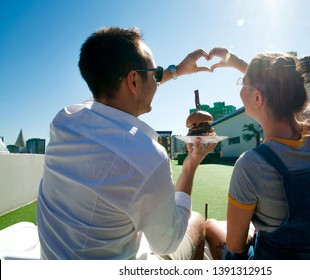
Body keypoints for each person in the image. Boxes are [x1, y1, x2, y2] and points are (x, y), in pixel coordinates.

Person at [36, 26, 216, 260]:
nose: (158, 78)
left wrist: (177, 71)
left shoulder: (65, 120)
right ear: (133, 80)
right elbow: (167, 244)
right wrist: (191, 164)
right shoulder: (146, 158)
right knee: (196, 221)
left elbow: (110, 91)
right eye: (155, 74)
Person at [204, 48, 310, 260]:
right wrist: (237, 62)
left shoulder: (251, 165)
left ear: (257, 97)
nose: (240, 88)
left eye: (243, 82)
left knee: (209, 226)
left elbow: (235, 245)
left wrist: (234, 61)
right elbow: (285, 93)